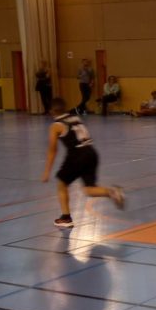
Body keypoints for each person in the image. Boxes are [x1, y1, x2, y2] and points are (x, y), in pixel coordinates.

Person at [42, 98, 124, 229]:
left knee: (62, 183)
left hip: (77, 154)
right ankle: (112, 192)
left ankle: (66, 218)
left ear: (51, 110)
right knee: (88, 189)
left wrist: (47, 171)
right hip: (91, 152)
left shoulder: (56, 125)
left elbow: (53, 149)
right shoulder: (75, 118)